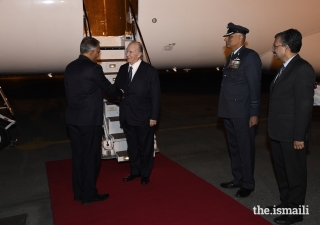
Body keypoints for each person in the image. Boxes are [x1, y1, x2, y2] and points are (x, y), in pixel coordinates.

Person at [64, 37, 123, 205]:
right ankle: (89, 194)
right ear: (91, 52)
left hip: (73, 119)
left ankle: (78, 192)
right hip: (89, 121)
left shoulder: (70, 67)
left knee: (78, 156)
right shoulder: (93, 69)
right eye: (98, 51)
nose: (99, 54)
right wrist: (121, 94)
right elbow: (109, 89)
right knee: (91, 158)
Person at [267, 29, 315, 225]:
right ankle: (286, 204)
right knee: (283, 172)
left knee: (295, 175)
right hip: (279, 131)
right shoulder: (285, 67)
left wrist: (299, 136)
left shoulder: (303, 68)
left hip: (292, 133)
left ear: (286, 47)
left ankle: (295, 212)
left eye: (276, 45)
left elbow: (304, 106)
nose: (273, 49)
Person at [218, 23, 262, 198]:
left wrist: (254, 112)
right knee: (234, 147)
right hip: (229, 110)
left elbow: (254, 85)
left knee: (245, 148)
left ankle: (248, 183)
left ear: (240, 38)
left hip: (242, 112)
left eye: (229, 36)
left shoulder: (249, 56)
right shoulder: (232, 57)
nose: (226, 39)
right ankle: (238, 178)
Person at [115, 41, 161, 185]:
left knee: (145, 147)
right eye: (127, 51)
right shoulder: (123, 69)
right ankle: (135, 171)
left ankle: (145, 173)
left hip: (144, 117)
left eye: (130, 52)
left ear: (139, 54)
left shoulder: (149, 71)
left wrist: (154, 116)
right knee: (132, 146)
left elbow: (156, 95)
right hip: (127, 116)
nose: (127, 54)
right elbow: (117, 89)